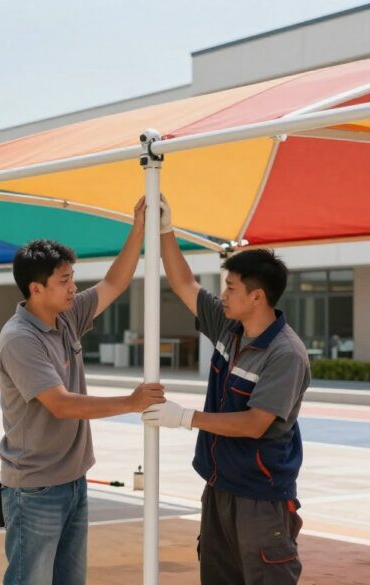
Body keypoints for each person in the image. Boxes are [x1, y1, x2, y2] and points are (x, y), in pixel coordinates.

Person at [141, 195, 310, 585]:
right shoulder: (228, 326)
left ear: (257, 296)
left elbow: (255, 423)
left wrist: (184, 418)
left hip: (260, 496)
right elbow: (183, 282)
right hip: (219, 486)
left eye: (230, 288)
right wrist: (167, 231)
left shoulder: (285, 354)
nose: (222, 295)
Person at [0, 219, 166, 585]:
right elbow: (61, 404)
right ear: (36, 289)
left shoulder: (66, 316)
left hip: (73, 479)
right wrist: (132, 401)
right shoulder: (19, 339)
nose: (74, 288)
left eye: (72, 278)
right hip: (35, 488)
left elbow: (115, 283)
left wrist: (139, 228)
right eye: (64, 281)